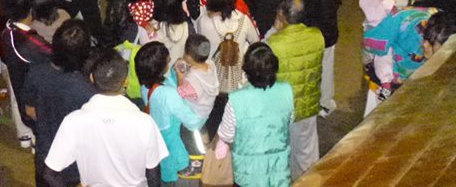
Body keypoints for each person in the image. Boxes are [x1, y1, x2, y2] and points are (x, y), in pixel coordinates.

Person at [44, 51, 167, 187]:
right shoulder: (145, 123)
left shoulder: (73, 121)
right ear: (125, 82)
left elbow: (50, 174)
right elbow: (153, 175)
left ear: (91, 78)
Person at [22, 20, 97, 187]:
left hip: (45, 153)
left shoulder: (36, 72)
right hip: (73, 163)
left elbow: (29, 110)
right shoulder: (86, 89)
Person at [216, 42, 294, 187]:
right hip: (279, 170)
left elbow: (227, 135)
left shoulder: (236, 99)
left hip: (248, 174)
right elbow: (289, 120)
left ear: (247, 70)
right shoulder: (287, 90)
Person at [266, 0, 324, 179]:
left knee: (281, 151)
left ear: (281, 14)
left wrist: (275, 30)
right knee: (306, 152)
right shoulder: (317, 36)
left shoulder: (274, 42)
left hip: (282, 108)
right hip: (308, 104)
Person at [363, 9, 456, 115]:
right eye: (427, 41)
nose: (425, 45)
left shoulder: (450, 44)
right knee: (378, 113)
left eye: (433, 48)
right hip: (387, 78)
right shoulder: (405, 26)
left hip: (408, 80)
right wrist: (388, 85)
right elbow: (374, 45)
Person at [136, 41, 206, 182]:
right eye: (168, 61)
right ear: (160, 68)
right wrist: (207, 109)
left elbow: (167, 83)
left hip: (160, 146)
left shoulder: (145, 86)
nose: (171, 61)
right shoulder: (168, 95)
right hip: (177, 153)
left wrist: (175, 73)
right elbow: (193, 123)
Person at [0, 0, 52, 150]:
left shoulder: (8, 29)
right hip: (32, 96)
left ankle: (28, 138)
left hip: (19, 85)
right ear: (30, 11)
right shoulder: (29, 42)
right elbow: (53, 54)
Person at [300, 0, 342, 117]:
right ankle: (325, 103)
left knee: (305, 69)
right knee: (326, 67)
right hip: (328, 31)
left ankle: (305, 102)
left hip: (307, 33)